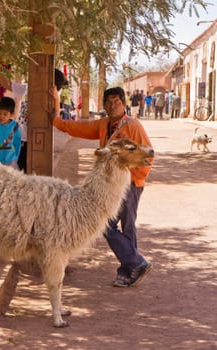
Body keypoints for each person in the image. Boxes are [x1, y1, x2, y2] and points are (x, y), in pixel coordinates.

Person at [51, 86, 153, 288]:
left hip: (130, 185)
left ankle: (130, 269)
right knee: (107, 225)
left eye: (116, 101)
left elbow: (148, 155)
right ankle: (135, 264)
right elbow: (78, 128)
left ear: (124, 103)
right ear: (104, 105)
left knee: (126, 225)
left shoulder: (133, 126)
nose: (112, 105)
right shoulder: (104, 124)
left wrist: (132, 178)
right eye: (108, 102)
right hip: (113, 186)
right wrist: (56, 121)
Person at [0, 68, 67, 173]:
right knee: (16, 171)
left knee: (31, 174)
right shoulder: (27, 89)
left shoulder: (51, 98)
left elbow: (55, 117)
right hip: (19, 138)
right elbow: (8, 84)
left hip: (36, 142)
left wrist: (56, 98)